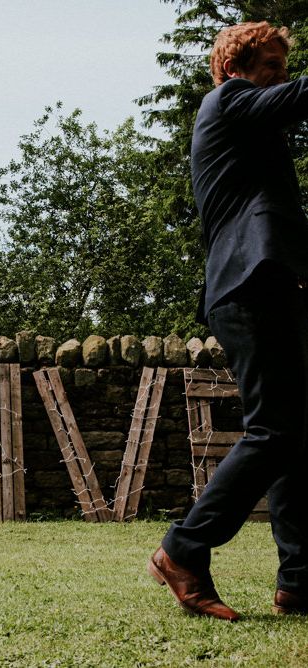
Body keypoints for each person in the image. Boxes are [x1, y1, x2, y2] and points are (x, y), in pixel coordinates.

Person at [149, 21, 308, 621]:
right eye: (270, 63)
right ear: (235, 65)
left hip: (270, 283)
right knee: (275, 430)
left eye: (282, 65)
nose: (280, 76)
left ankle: (299, 581)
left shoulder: (253, 123)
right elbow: (294, 99)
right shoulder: (229, 101)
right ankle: (182, 549)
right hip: (248, 284)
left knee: (296, 436)